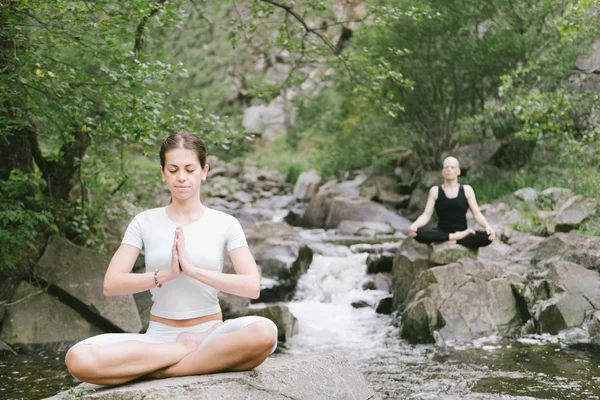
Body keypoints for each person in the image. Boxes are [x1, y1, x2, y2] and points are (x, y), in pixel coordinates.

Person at [65, 132, 278, 385]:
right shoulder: (144, 221)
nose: (182, 177)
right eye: (173, 169)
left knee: (265, 333)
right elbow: (111, 284)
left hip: (211, 335)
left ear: (204, 171)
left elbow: (252, 287)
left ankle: (152, 370)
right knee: (78, 359)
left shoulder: (225, 223)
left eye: (190, 169)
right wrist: (166, 275)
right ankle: (182, 352)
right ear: (162, 172)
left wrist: (193, 271)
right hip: (158, 339)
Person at [408, 156, 495, 248]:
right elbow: (426, 215)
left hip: (462, 231)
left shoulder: (467, 190)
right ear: (443, 172)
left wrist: (487, 226)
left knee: (488, 237)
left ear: (458, 171)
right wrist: (415, 225)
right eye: (446, 167)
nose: (449, 169)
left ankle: (445, 241)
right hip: (441, 231)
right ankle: (455, 238)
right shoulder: (435, 191)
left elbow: (477, 214)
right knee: (417, 233)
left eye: (452, 167)